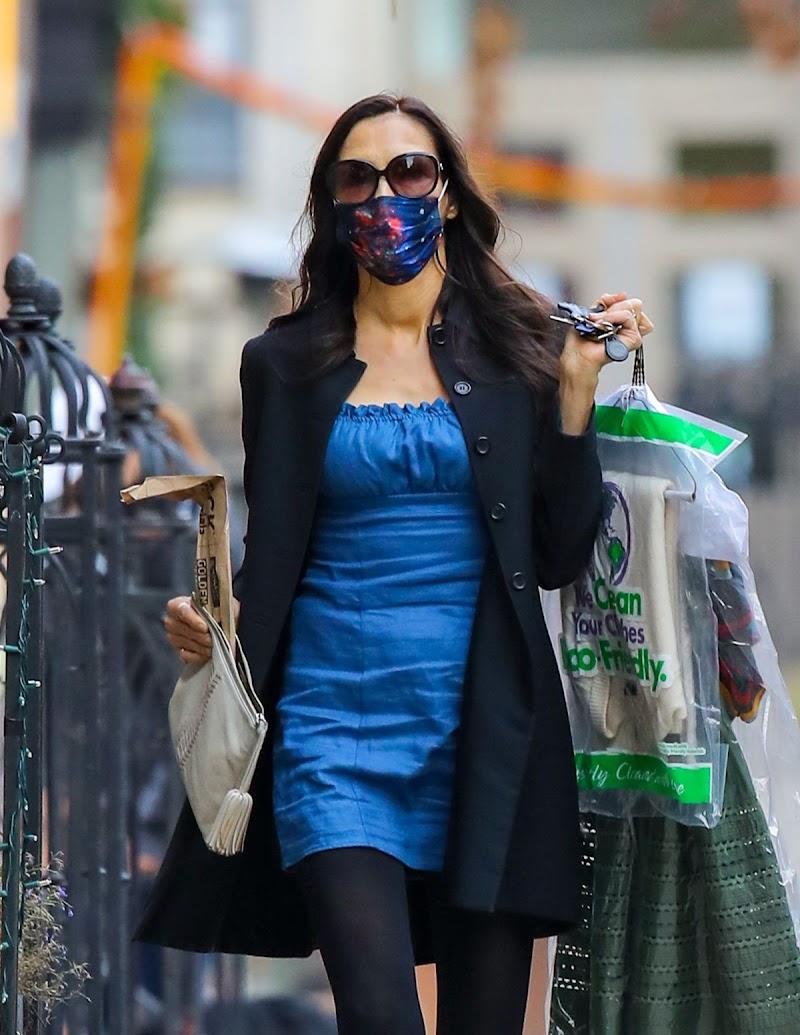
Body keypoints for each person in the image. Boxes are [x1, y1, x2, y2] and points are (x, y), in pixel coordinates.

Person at [141, 94, 653, 1035]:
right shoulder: (284, 364)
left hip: (486, 731)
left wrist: (576, 392)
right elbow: (276, 550)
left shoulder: (521, 352)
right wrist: (211, 623)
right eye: (357, 177)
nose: (386, 195)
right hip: (332, 733)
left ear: (449, 194)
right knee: (378, 1016)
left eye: (410, 172)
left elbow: (556, 553)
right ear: (333, 204)